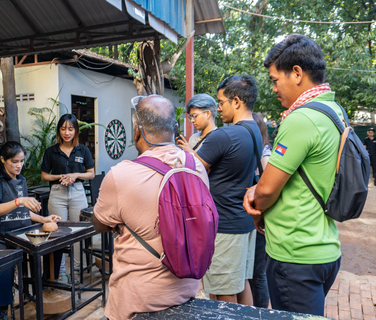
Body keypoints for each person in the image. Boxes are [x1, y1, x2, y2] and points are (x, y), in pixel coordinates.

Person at [243, 34, 342, 316]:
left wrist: (254, 201)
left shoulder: (302, 118)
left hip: (295, 253)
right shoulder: (334, 112)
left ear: (296, 73)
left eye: (275, 80)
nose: (273, 88)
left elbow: (266, 190)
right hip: (323, 247)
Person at [92, 95, 208, 320]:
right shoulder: (196, 167)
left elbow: (100, 223)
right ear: (175, 129)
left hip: (137, 300)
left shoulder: (121, 175)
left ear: (137, 130)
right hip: (187, 290)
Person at [0, 141, 61, 320]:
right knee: (6, 261)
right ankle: (2, 311)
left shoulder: (21, 180)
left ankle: (42, 287)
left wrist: (44, 218)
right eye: (14, 161)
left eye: (21, 161)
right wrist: (19, 201)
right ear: (3, 160)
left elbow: (22, 212)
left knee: (55, 244)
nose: (19, 165)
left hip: (16, 232)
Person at [195, 75, 262, 305]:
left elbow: (190, 172)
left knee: (223, 295)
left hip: (224, 227)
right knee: (241, 284)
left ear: (236, 101)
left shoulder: (224, 135)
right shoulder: (255, 132)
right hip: (243, 223)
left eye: (221, 102)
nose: (218, 108)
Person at [41, 113, 95, 283]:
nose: (67, 132)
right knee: (59, 233)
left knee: (77, 232)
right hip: (57, 193)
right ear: (59, 130)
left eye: (70, 129)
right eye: (63, 128)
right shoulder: (51, 151)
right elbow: (44, 175)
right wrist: (60, 177)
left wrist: (75, 175)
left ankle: (76, 270)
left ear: (75, 131)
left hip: (77, 192)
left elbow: (91, 174)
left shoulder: (83, 150)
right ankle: (61, 271)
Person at [248, 112, 272, 308]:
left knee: (258, 274)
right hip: (251, 219)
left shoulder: (265, 153)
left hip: (260, 219)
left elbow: (268, 185)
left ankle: (261, 313)